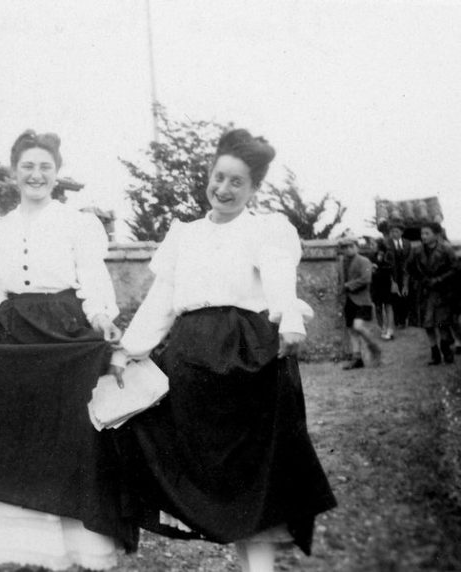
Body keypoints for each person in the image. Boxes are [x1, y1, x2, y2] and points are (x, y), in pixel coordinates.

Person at [117, 129, 337, 572]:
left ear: (253, 188)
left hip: (249, 361)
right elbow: (161, 301)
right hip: (192, 363)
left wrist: (290, 319)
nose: (223, 189)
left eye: (237, 182)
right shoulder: (185, 235)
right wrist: (128, 350)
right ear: (209, 176)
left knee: (251, 473)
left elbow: (279, 279)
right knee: (159, 441)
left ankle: (259, 567)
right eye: (218, 177)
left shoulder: (265, 229)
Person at [0, 130, 129, 571]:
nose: (36, 174)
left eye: (45, 167)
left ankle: (76, 553)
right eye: (28, 167)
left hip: (65, 339)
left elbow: (92, 281)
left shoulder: (78, 224)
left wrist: (102, 319)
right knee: (16, 447)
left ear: (56, 174)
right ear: (15, 173)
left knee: (67, 443)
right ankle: (30, 556)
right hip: (13, 342)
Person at [405, 222, 456, 365]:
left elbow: (455, 268)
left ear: (436, 234)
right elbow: (409, 267)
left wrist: (439, 279)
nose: (424, 236)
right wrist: (421, 279)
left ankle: (446, 350)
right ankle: (435, 353)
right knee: (427, 323)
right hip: (425, 291)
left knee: (442, 323)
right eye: (422, 234)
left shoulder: (446, 249)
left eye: (427, 233)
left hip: (443, 292)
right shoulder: (417, 251)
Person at [339, 235, 382, 369]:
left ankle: (374, 346)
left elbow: (366, 279)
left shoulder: (364, 261)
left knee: (358, 327)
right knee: (351, 330)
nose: (348, 250)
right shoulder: (343, 262)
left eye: (351, 246)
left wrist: (348, 285)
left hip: (362, 300)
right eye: (345, 248)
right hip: (349, 300)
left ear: (356, 247)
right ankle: (357, 359)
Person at [382, 220, 411, 334]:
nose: (394, 234)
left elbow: (409, 259)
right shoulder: (386, 244)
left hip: (404, 274)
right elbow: (385, 261)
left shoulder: (407, 243)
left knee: (404, 297)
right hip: (391, 275)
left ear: (402, 232)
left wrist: (406, 279)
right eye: (392, 231)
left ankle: (403, 320)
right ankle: (397, 321)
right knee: (394, 298)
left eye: (397, 231)